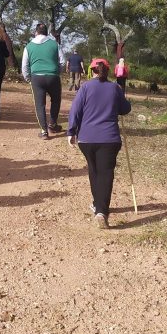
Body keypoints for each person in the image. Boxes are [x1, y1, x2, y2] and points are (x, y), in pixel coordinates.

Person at [67, 59, 132, 229]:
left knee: (94, 170)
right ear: (108, 70)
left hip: (86, 139)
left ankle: (98, 205)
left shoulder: (85, 87)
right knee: (105, 173)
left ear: (91, 71)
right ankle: (101, 211)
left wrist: (71, 131)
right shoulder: (114, 88)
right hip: (109, 139)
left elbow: (75, 110)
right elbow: (125, 109)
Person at [22, 23, 64, 139]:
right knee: (56, 100)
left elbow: (25, 66)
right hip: (53, 76)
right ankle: (53, 124)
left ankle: (44, 131)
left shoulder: (29, 46)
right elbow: (62, 62)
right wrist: (56, 72)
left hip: (37, 78)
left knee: (39, 105)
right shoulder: (54, 44)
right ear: (46, 32)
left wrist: (28, 79)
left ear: (36, 32)